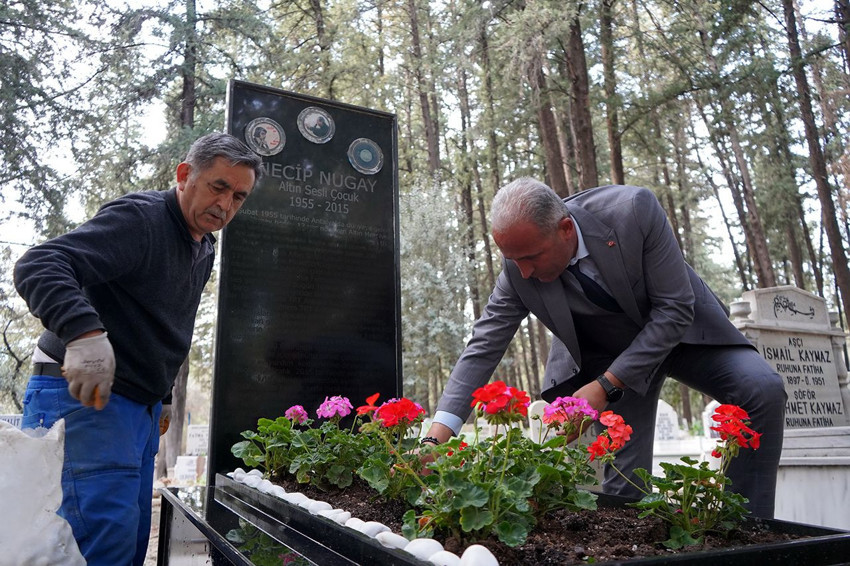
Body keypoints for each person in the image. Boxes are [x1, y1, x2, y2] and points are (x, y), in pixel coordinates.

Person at [422, 177, 786, 519]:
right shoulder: (518, 269)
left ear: (565, 229)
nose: (525, 272)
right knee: (624, 493)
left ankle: (746, 532)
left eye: (532, 257)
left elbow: (674, 309)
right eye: (515, 261)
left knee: (761, 389)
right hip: (609, 355)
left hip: (683, 334)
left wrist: (605, 386)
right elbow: (483, 346)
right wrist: (434, 441)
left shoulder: (632, 210)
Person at [14, 132, 263, 565]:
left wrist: (163, 395)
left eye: (239, 196)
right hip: (86, 400)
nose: (226, 206)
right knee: (92, 549)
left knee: (128, 549)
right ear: (185, 175)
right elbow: (39, 264)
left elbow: (159, 324)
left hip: (141, 414)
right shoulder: (141, 220)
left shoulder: (204, 246)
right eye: (218, 187)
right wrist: (83, 334)